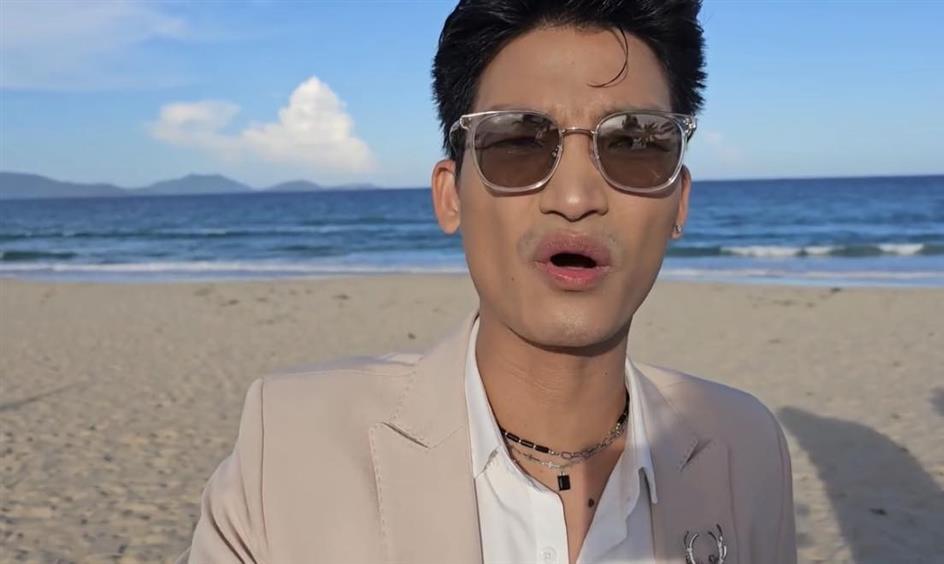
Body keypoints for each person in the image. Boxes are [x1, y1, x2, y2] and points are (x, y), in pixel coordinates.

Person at [179, 1, 796, 562]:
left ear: (679, 201)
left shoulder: (743, 448)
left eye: (635, 143)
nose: (575, 197)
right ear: (451, 195)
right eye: (518, 141)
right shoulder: (289, 446)